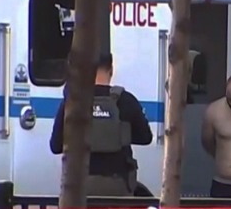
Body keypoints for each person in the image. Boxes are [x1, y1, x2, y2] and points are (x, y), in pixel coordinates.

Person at [49, 52, 153, 197]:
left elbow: (55, 146)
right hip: (118, 186)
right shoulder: (126, 100)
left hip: (79, 187)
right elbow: (145, 137)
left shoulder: (72, 102)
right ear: (111, 70)